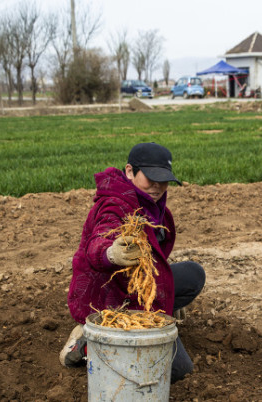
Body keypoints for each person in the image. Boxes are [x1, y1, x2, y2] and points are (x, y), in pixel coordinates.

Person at [59, 142, 206, 383]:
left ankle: (159, 307)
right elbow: (97, 242)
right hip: (108, 296)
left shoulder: (155, 208)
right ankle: (87, 343)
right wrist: (111, 254)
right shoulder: (114, 204)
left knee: (193, 273)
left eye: (164, 180)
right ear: (129, 171)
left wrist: (167, 293)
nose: (158, 186)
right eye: (151, 178)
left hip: (133, 288)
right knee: (177, 370)